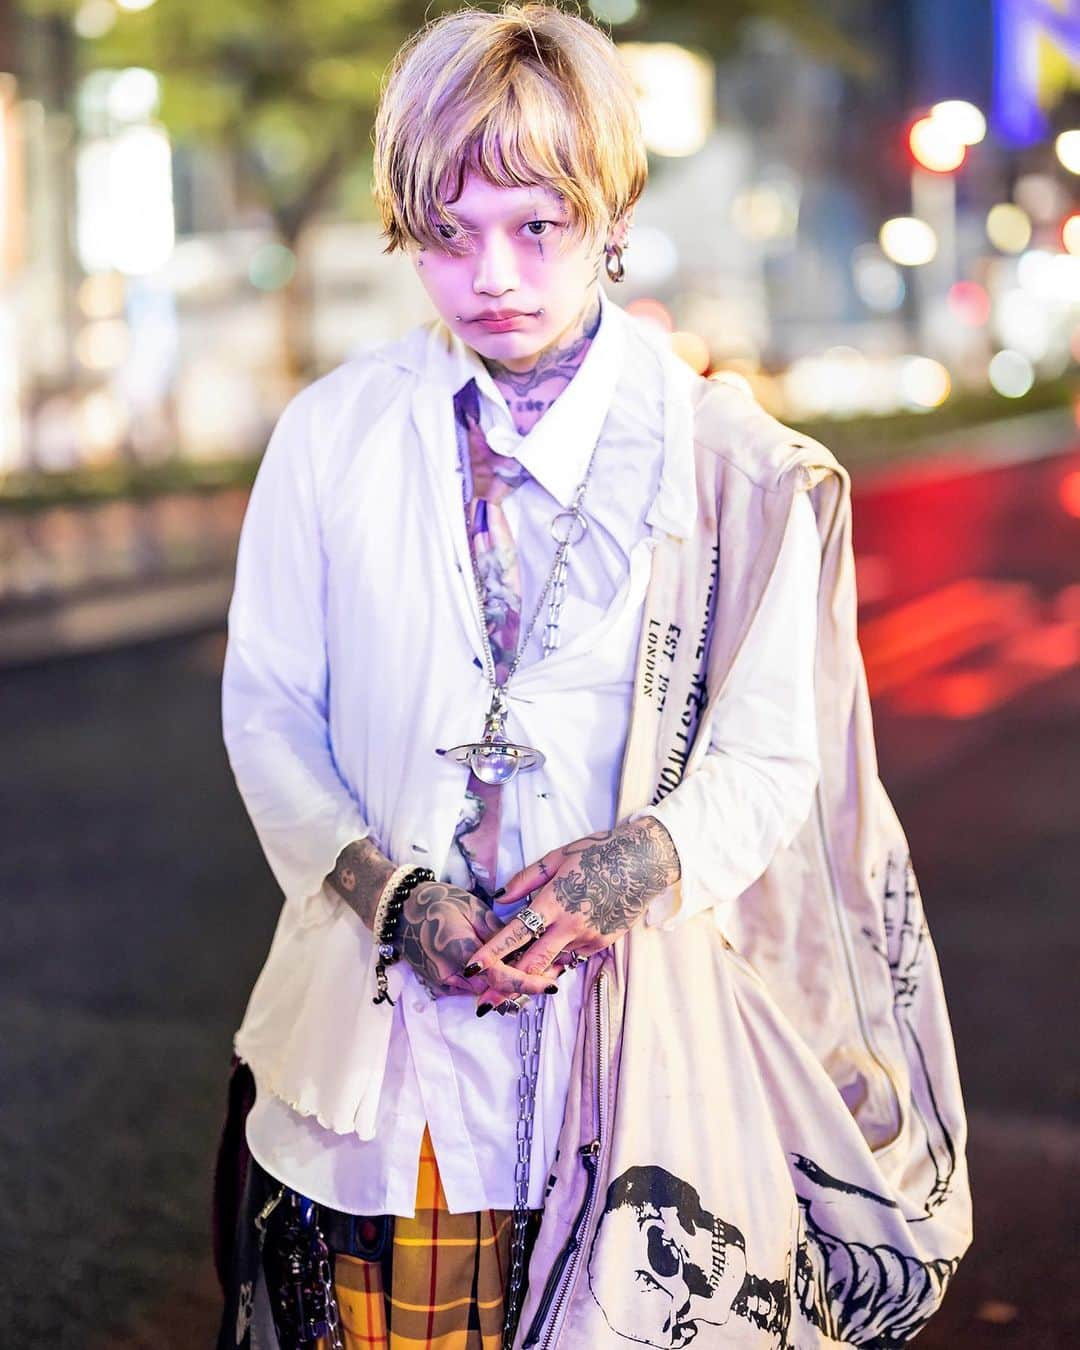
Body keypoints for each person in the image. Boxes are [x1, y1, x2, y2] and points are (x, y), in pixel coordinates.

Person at [215, 6, 971, 1349]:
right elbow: (269, 705)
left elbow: (768, 756)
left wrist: (634, 863)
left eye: (535, 226)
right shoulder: (334, 435)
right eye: (447, 235)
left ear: (610, 212)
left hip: (640, 1079)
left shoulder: (734, 468)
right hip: (381, 1082)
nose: (490, 273)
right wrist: (388, 893)